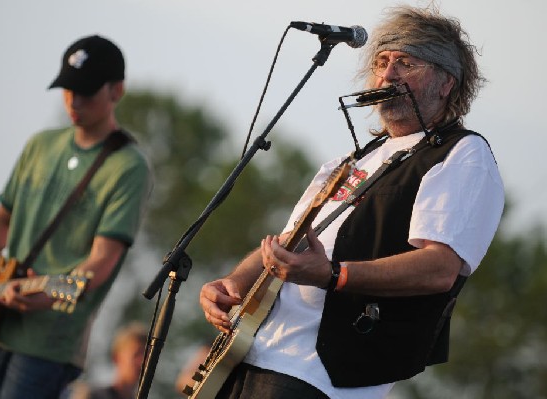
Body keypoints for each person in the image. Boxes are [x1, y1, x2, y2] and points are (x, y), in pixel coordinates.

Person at [198, 5, 504, 399]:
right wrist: (233, 283)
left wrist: (333, 274)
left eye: (406, 63)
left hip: (321, 374)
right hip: (250, 353)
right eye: (381, 61)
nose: (388, 74)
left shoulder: (463, 155)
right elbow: (288, 242)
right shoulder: (350, 161)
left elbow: (439, 267)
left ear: (445, 83)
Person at [0, 34, 151, 398]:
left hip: (48, 346)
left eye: (87, 91)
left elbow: (101, 262)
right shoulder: (40, 145)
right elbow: (2, 218)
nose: (74, 100)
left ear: (116, 90)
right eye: (68, 88)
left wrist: (49, 293)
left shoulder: (128, 167)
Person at [67, 322, 148, 399]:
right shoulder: (91, 396)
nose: (142, 362)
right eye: (136, 355)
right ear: (116, 358)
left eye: (146, 356)